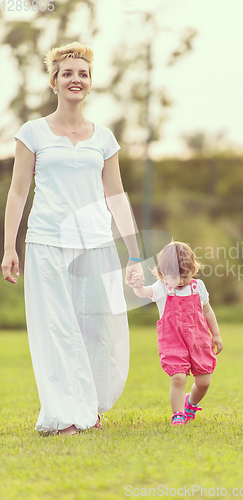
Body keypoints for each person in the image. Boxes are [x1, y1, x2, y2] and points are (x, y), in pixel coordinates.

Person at [1, 42, 143, 435]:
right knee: (58, 327)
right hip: (46, 242)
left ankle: (90, 407)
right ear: (55, 82)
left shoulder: (104, 138)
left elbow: (116, 195)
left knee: (98, 328)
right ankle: (65, 414)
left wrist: (135, 254)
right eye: (67, 73)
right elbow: (17, 192)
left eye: (82, 73)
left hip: (96, 244)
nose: (75, 79)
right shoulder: (32, 133)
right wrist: (9, 247)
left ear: (90, 82)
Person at [131, 241, 223, 426]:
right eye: (173, 276)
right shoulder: (161, 288)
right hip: (173, 342)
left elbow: (208, 311)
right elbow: (143, 293)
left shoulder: (199, 287)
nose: (180, 281)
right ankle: (178, 414)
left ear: (193, 270)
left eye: (185, 275)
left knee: (204, 381)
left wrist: (216, 335)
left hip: (199, 341)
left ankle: (191, 403)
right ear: (162, 274)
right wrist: (137, 286)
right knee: (179, 377)